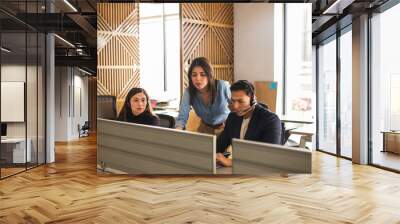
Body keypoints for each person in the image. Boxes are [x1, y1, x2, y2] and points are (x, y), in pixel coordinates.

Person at [216, 80, 282, 167]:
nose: (235, 106)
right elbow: (219, 145)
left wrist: (231, 163)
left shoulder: (270, 120)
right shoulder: (232, 118)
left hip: (263, 171)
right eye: (233, 101)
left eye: (240, 101)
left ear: (252, 100)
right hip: (240, 170)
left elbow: (269, 157)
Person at [175, 57, 231, 135]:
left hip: (226, 127)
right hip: (205, 128)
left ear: (209, 75)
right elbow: (182, 117)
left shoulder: (222, 86)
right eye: (194, 75)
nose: (198, 79)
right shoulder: (189, 92)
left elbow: (237, 109)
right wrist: (177, 131)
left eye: (203, 74)